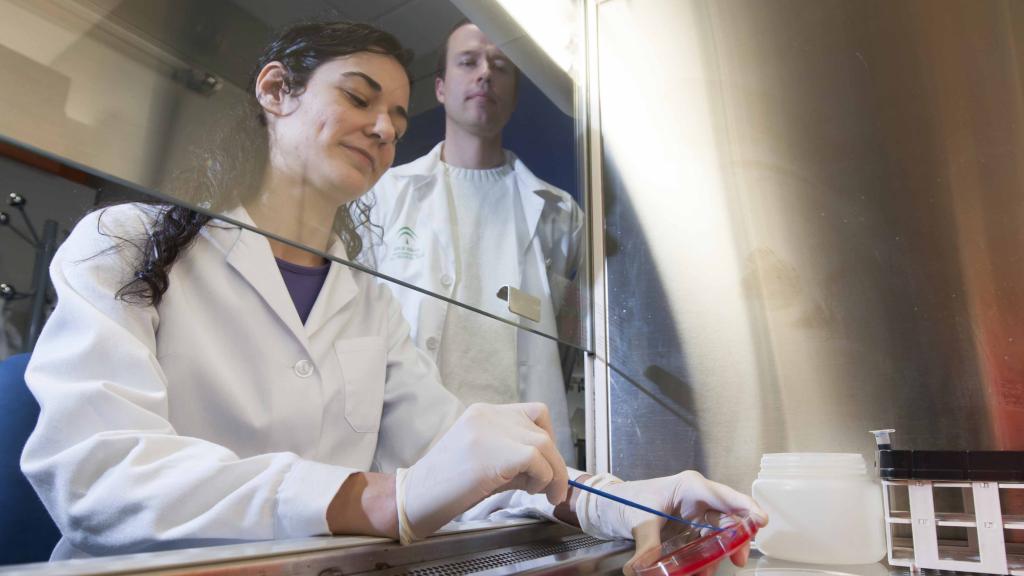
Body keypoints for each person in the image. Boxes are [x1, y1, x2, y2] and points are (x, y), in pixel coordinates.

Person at [19, 20, 765, 572]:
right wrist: (380, 498)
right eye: (358, 98)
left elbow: (463, 459)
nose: (384, 128)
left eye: (400, 118)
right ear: (276, 90)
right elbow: (97, 475)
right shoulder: (125, 240)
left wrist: (624, 498)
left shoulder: (367, 301)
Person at [363, 21, 582, 464]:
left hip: (519, 458)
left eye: (500, 65)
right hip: (409, 456)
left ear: (515, 92)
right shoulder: (383, 196)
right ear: (441, 88)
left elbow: (565, 334)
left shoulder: (559, 213)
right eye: (469, 62)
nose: (485, 73)